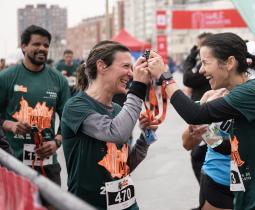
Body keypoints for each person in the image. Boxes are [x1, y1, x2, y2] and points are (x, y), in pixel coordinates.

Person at [148, 32, 255, 209]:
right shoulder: (238, 94)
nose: (201, 70)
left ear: (229, 63)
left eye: (205, 63)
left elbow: (194, 114)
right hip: (247, 195)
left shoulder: (253, 92)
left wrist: (165, 77)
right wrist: (206, 132)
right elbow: (229, 147)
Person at [61, 40, 156, 210]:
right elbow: (115, 133)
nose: (131, 74)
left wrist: (146, 136)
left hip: (127, 204)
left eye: (132, 68)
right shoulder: (76, 106)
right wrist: (139, 88)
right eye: (126, 66)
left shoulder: (119, 109)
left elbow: (123, 166)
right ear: (101, 66)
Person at [0, 25, 70, 208]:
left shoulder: (59, 81)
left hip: (48, 164)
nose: (42, 49)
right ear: (23, 46)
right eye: (36, 44)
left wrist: (56, 142)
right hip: (14, 164)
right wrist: (10, 125)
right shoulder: (6, 77)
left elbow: (67, 121)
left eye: (46, 45)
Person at [182, 33, 212, 192]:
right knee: (196, 154)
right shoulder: (212, 96)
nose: (201, 70)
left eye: (205, 63)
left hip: (205, 115)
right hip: (201, 115)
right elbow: (186, 143)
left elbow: (188, 78)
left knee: (199, 156)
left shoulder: (224, 98)